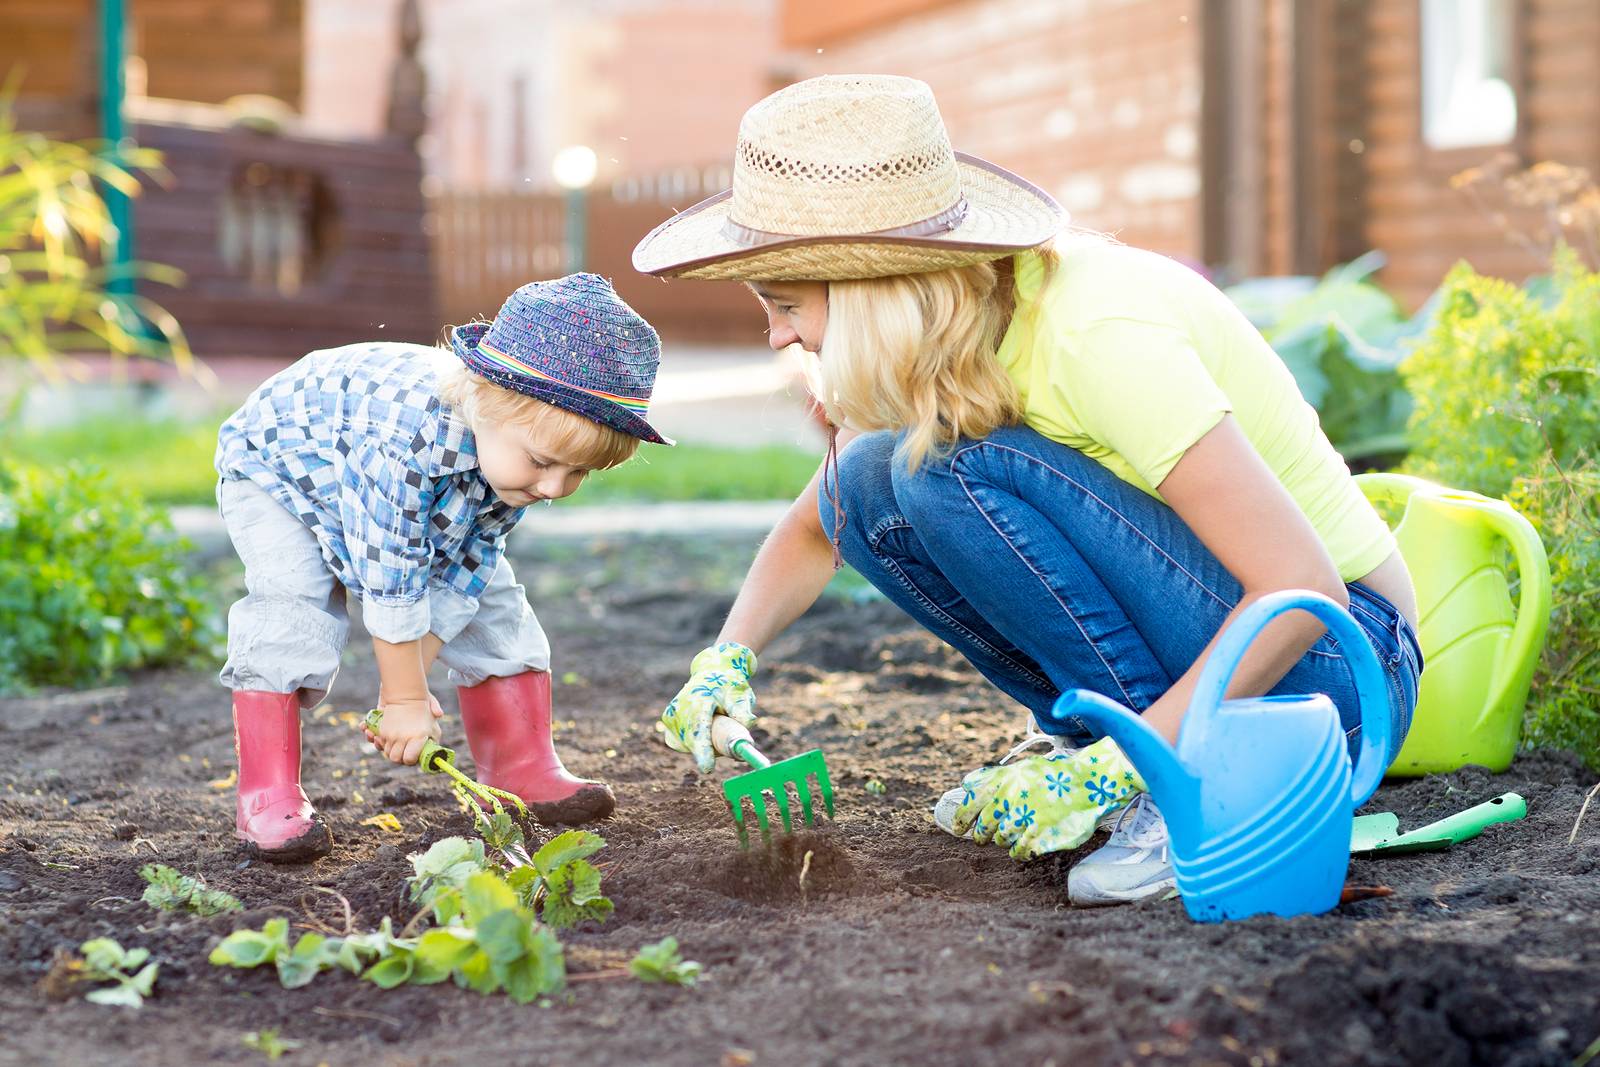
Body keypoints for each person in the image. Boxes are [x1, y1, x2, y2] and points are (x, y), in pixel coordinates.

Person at [634, 75, 1422, 905]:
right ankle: (1098, 743)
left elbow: (1301, 591)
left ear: (876, 294)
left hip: (1334, 681)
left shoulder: (1098, 336)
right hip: (1257, 656)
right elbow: (819, 525)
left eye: (787, 305)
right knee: (871, 477)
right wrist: (724, 660)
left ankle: (1172, 780)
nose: (777, 336)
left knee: (941, 469)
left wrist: (1121, 769)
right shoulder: (968, 325)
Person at [215, 273, 671, 862]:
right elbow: (392, 573)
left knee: (495, 605)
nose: (556, 487)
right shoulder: (401, 442)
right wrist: (404, 700)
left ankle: (521, 766)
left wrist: (408, 678)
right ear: (482, 400)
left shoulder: (511, 462)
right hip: (282, 474)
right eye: (543, 462)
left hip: (383, 481)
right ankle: (266, 794)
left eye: (579, 472)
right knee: (294, 605)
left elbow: (466, 570)